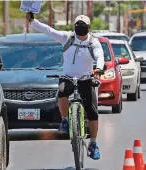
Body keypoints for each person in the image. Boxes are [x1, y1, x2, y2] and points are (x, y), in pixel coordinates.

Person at [26, 13, 105, 160]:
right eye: (78, 26)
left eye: (83, 27)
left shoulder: (93, 42)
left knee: (93, 112)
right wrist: (32, 21)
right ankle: (65, 120)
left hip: (86, 78)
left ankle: (93, 143)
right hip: (67, 77)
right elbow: (49, 30)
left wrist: (99, 68)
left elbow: (99, 55)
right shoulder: (67, 38)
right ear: (74, 28)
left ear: (89, 28)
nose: (80, 30)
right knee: (62, 92)